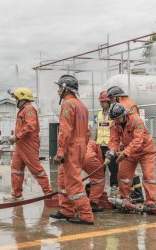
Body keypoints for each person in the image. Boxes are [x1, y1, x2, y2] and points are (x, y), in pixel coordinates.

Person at [49, 75, 94, 225]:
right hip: (80, 146)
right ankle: (67, 210)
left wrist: (60, 152)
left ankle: (86, 215)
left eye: (59, 87)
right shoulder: (82, 105)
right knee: (63, 179)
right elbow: (87, 132)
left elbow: (65, 130)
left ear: (66, 89)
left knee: (73, 182)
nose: (58, 90)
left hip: (71, 147)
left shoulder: (68, 104)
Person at [4, 87, 53, 201]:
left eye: (16, 98)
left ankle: (48, 193)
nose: (15, 100)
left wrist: (16, 137)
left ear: (22, 98)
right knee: (16, 169)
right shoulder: (23, 109)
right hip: (20, 145)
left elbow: (30, 126)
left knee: (36, 170)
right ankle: (17, 194)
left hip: (28, 144)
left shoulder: (29, 109)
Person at [107, 103, 156, 208]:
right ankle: (124, 200)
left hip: (145, 151)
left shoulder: (136, 120)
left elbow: (138, 141)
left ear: (124, 115)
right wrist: (112, 151)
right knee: (123, 176)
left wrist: (125, 153)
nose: (116, 121)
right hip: (129, 152)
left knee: (148, 177)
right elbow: (114, 141)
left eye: (118, 118)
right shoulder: (114, 124)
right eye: (114, 119)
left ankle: (151, 202)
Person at [106, 86, 144, 202]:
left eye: (111, 99)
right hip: (128, 143)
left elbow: (130, 127)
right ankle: (134, 193)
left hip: (133, 143)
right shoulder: (126, 103)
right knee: (126, 172)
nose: (110, 101)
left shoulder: (126, 106)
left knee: (129, 171)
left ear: (117, 97)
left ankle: (136, 194)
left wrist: (124, 147)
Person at [96, 91, 119, 196]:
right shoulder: (99, 114)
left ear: (109, 101)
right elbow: (97, 129)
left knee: (113, 166)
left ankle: (114, 184)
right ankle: (99, 185)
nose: (101, 104)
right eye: (101, 102)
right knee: (101, 167)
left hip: (110, 145)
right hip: (100, 144)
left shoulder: (113, 113)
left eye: (103, 101)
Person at [83, 139, 106, 212]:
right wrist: (102, 170)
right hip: (88, 157)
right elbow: (100, 160)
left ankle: (70, 203)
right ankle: (93, 204)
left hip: (75, 156)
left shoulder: (78, 139)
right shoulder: (95, 144)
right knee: (99, 179)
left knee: (73, 179)